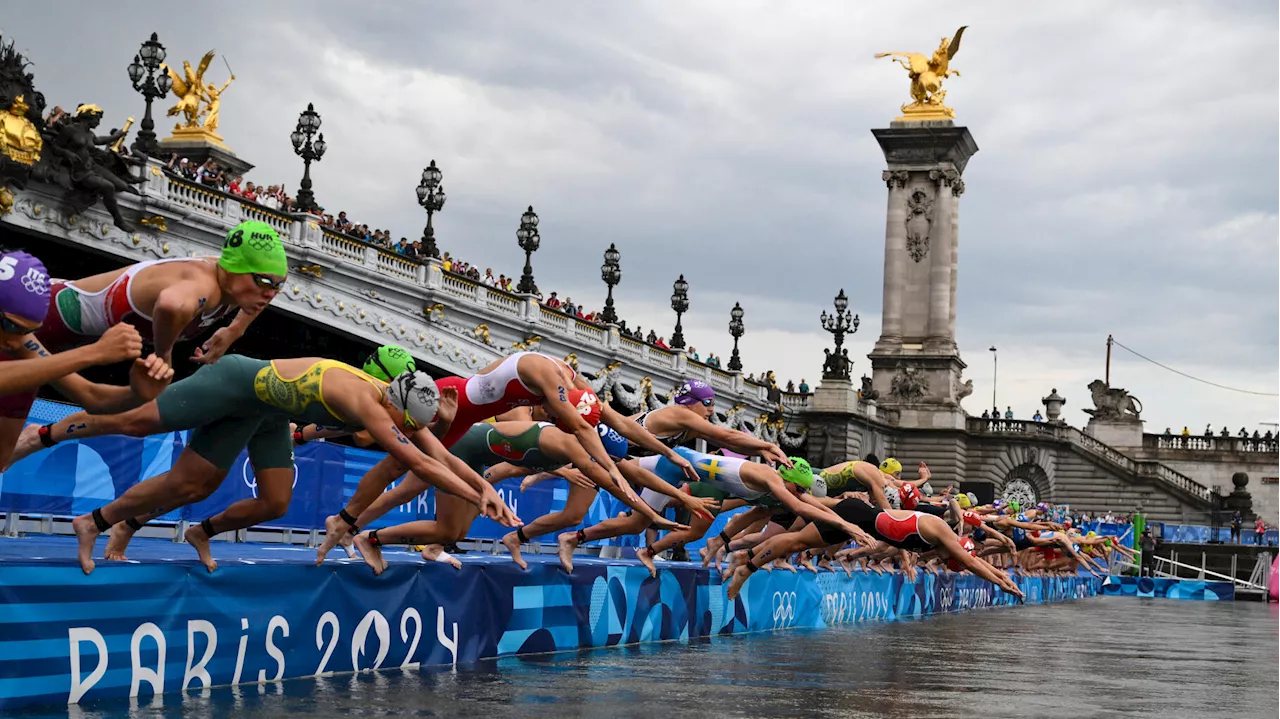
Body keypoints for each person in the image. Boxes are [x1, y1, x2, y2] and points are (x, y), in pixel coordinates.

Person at [12, 357, 519, 574]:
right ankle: (44, 433)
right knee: (139, 423)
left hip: (267, 411)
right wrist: (479, 495)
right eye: (408, 425)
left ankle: (110, 523)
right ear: (399, 408)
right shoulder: (368, 403)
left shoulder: (397, 402)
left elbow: (441, 454)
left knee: (271, 500)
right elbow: (418, 461)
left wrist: (483, 488)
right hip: (235, 383)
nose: (409, 432)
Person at [348, 420, 699, 574]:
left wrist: (681, 497)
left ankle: (362, 532)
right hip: (463, 451)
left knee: (449, 527)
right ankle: (365, 536)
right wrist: (651, 515)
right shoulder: (569, 446)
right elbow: (614, 483)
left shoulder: (578, 443)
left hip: (482, 459)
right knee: (434, 515)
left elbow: (627, 473)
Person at [556, 451, 865, 576]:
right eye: (798, 488)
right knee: (618, 486)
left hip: (687, 468)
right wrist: (849, 526)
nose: (800, 494)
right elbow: (800, 507)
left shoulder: (775, 488)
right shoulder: (772, 481)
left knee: (613, 469)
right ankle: (574, 528)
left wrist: (724, 541)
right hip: (683, 470)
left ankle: (584, 534)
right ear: (788, 481)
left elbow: (750, 510)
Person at [0, 249, 174, 469]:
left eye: (29, 331)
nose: (14, 343)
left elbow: (92, 397)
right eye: (12, 326)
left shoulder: (19, 340)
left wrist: (138, 394)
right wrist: (94, 353)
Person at [724, 497, 1025, 600]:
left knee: (796, 537)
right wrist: (1003, 583)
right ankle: (745, 566)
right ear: (953, 553)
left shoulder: (945, 542)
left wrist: (1004, 578)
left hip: (861, 516)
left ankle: (744, 558)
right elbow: (973, 563)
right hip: (856, 515)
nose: (944, 562)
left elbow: (974, 561)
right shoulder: (943, 535)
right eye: (950, 561)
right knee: (796, 540)